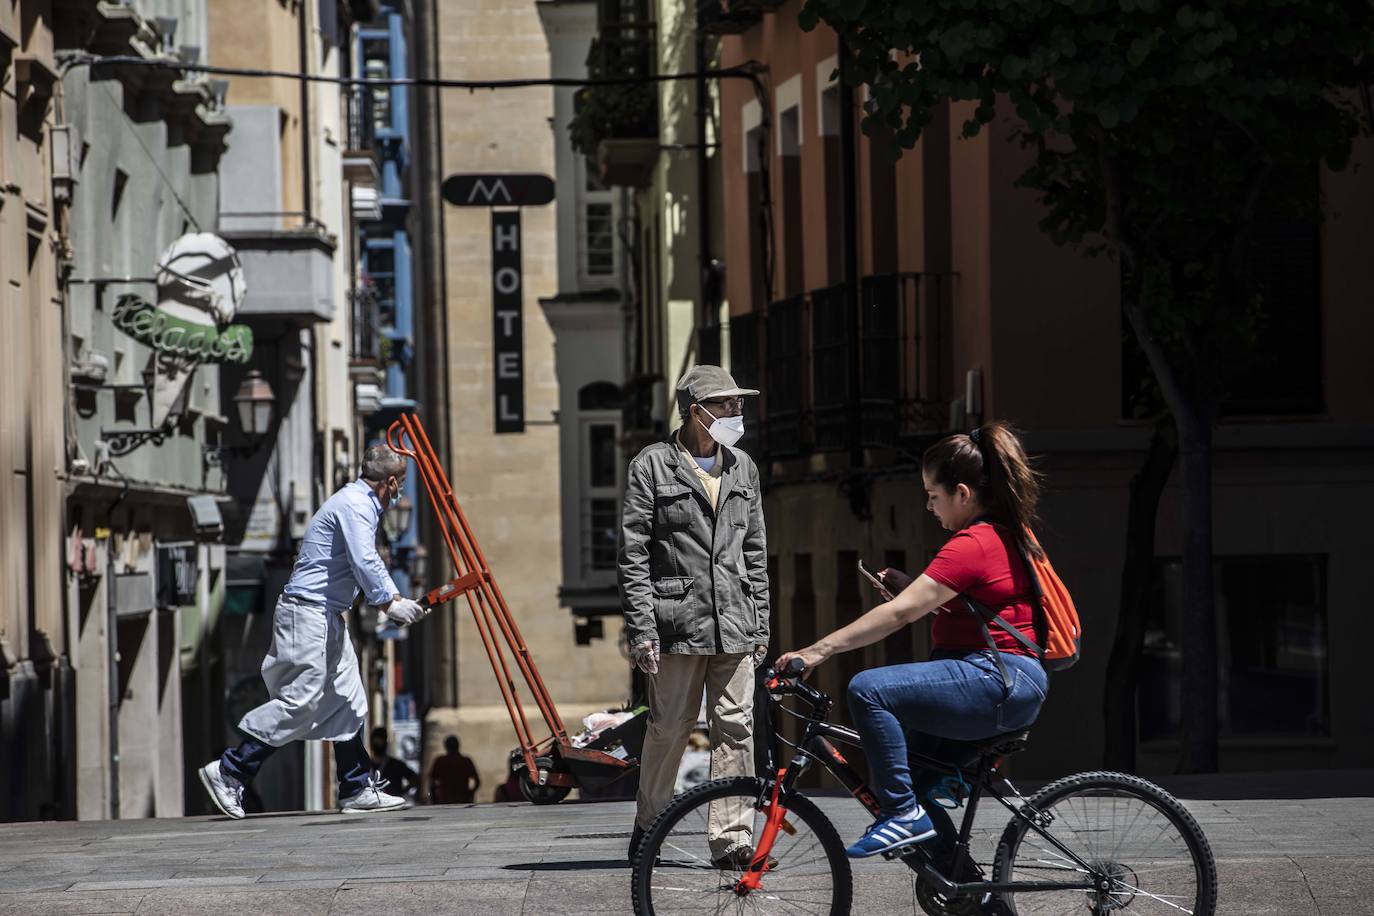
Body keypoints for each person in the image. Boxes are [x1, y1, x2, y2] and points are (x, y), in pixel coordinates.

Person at [777, 422, 1050, 860]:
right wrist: (911, 588)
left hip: (998, 679)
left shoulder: (973, 543)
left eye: (932, 496)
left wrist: (817, 651)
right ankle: (973, 898)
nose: (927, 506)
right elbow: (959, 606)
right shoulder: (996, 534)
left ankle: (903, 815)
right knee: (912, 787)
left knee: (869, 690)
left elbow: (901, 615)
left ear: (962, 494)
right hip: (1003, 680)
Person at [198, 445, 432, 818]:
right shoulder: (357, 505)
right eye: (399, 484)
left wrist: (390, 599)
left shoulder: (357, 502)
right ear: (390, 482)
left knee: (350, 698)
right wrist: (391, 601)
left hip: (326, 615)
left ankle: (356, 786)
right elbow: (364, 558)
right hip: (307, 614)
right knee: (300, 700)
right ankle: (230, 771)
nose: (399, 492)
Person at [619, 364, 771, 870]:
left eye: (738, 403)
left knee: (737, 728)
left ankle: (732, 841)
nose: (737, 412)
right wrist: (642, 630)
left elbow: (755, 550)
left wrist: (761, 624)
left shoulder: (743, 467)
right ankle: (650, 826)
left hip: (735, 622)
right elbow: (634, 553)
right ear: (695, 411)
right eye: (727, 404)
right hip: (675, 626)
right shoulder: (652, 466)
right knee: (669, 728)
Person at [369, 727, 421, 801]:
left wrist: (402, 792)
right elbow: (415, 779)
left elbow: (415, 779)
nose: (378, 743)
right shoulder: (366, 765)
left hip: (389, 801)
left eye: (380, 740)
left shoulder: (396, 765)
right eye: (377, 741)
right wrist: (402, 792)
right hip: (383, 801)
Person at [429, 735, 480, 804]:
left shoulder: (440, 761)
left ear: (446, 746)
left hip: (444, 800)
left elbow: (432, 782)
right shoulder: (465, 761)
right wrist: (470, 794)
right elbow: (477, 782)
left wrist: (434, 799)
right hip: (463, 800)